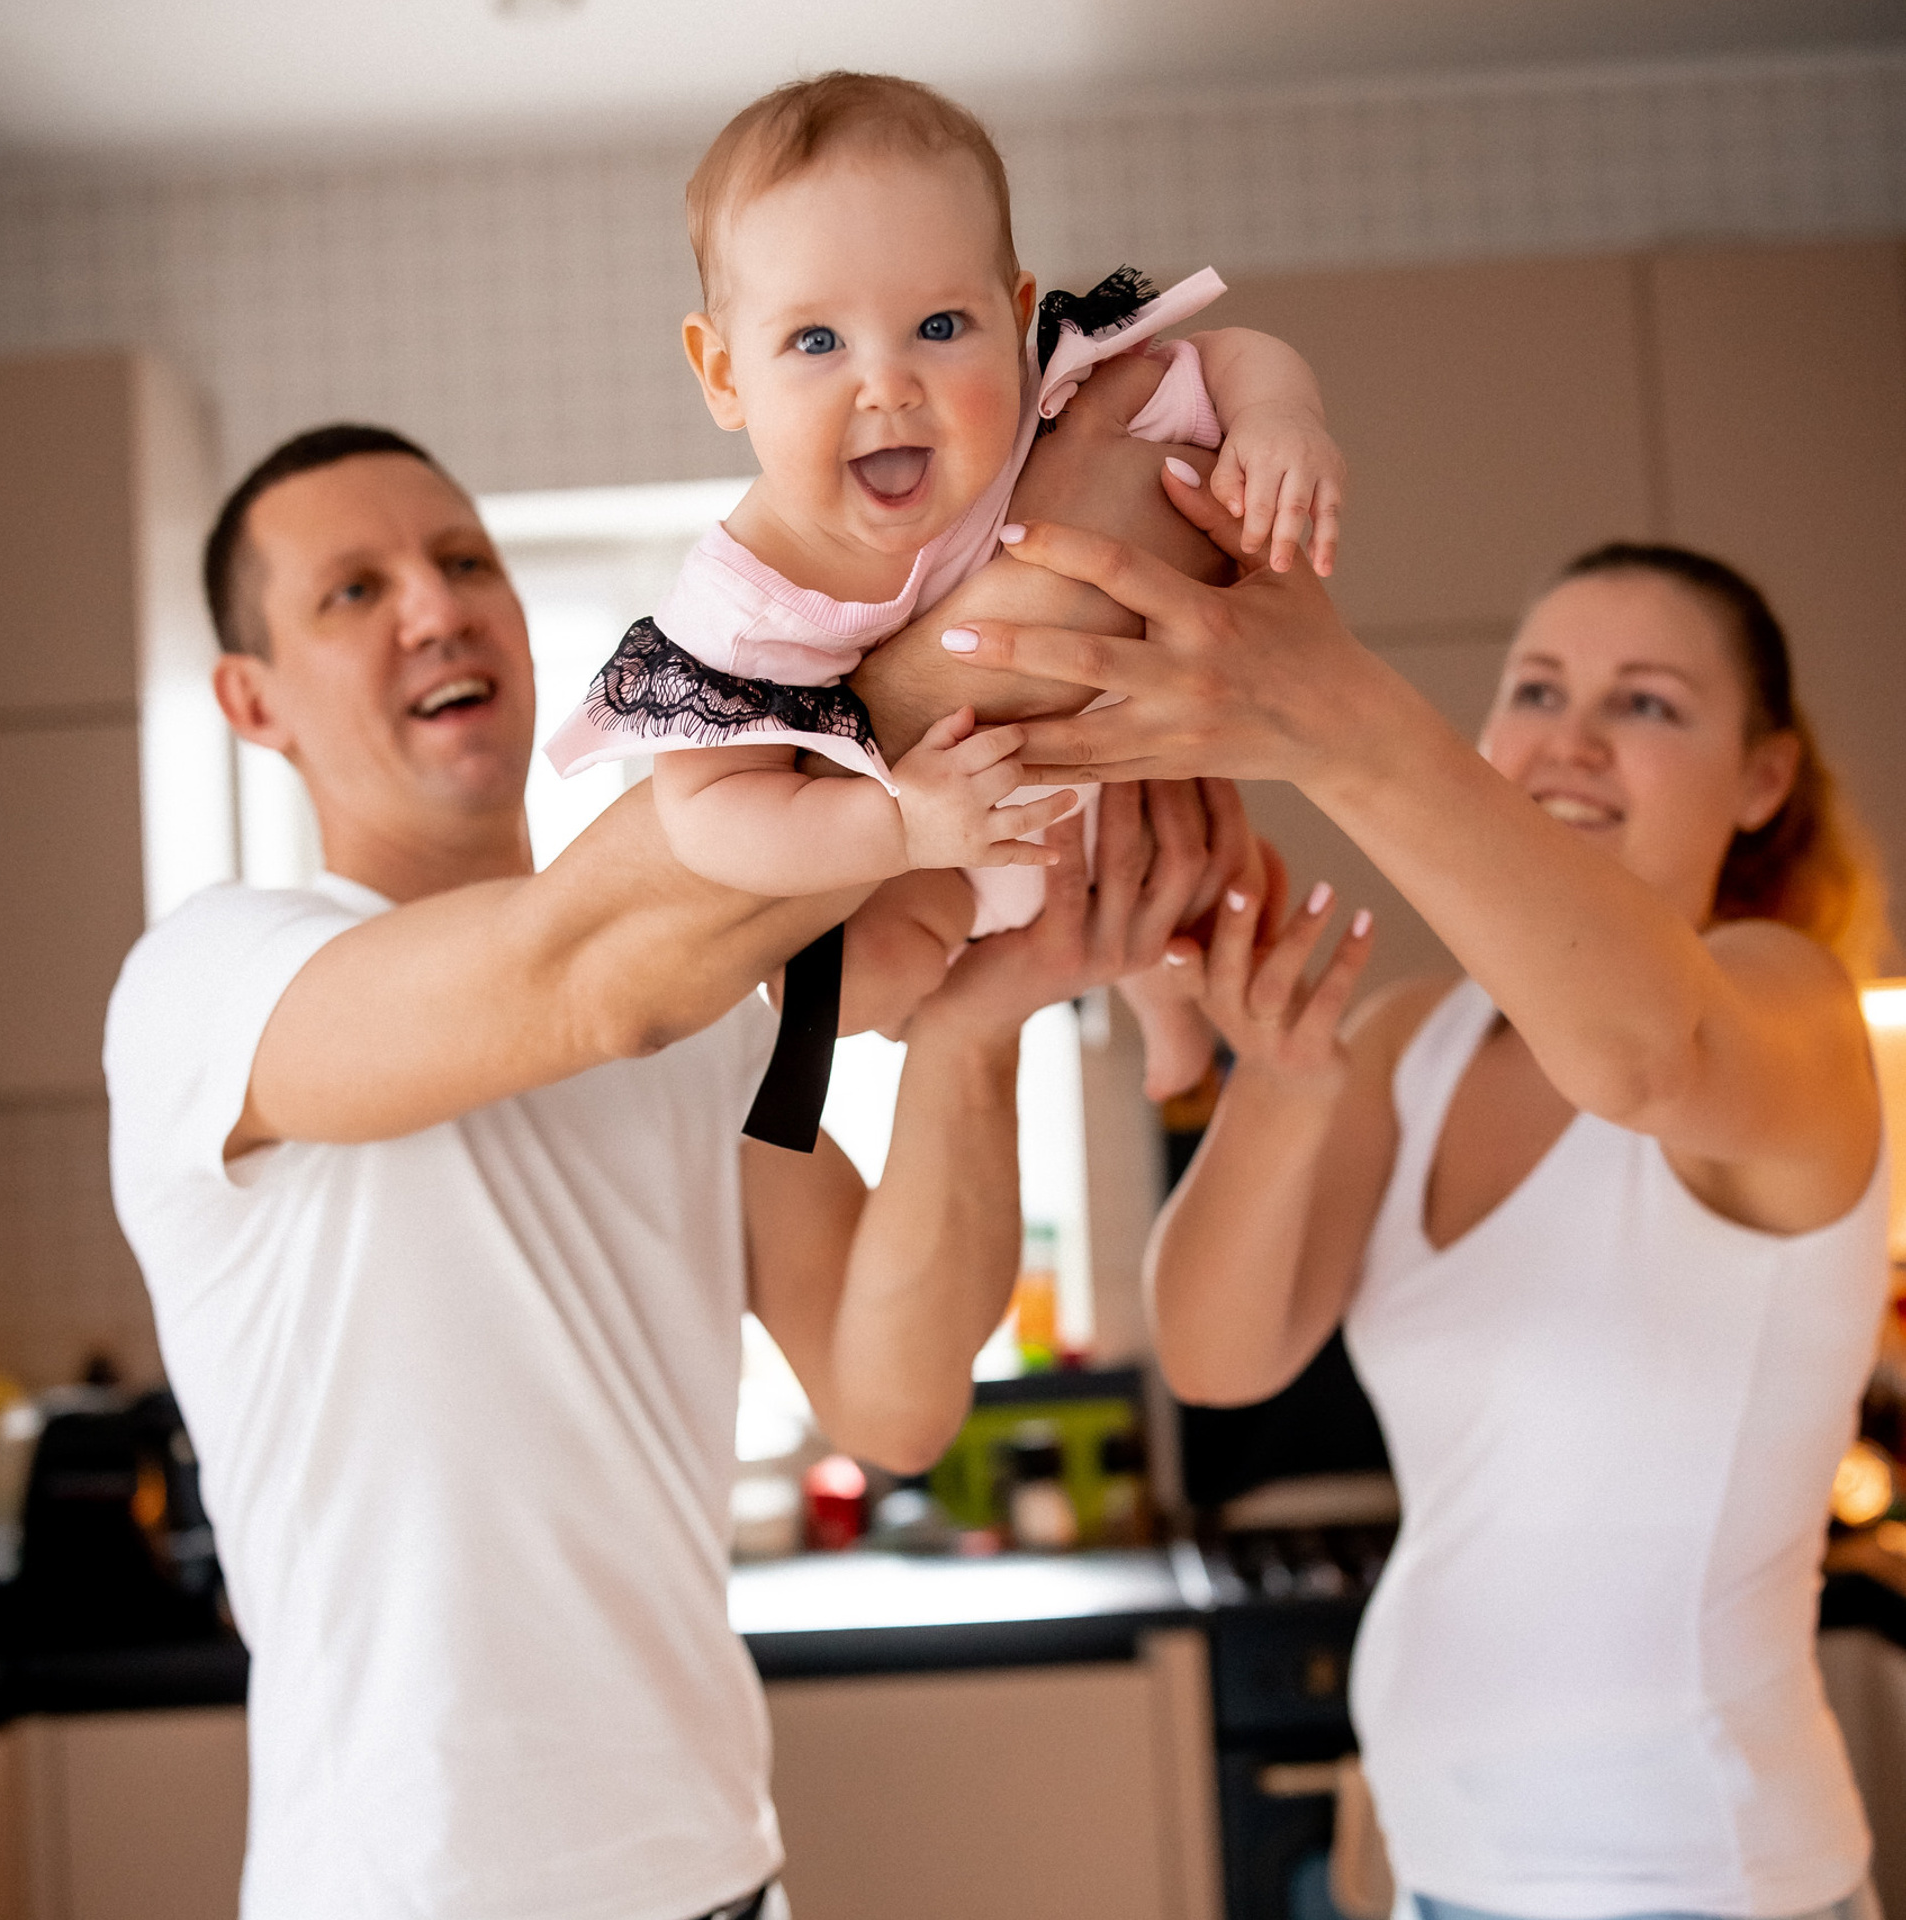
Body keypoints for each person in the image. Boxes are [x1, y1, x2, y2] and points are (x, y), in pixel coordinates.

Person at [103, 423, 1241, 1920]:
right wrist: (892, 707)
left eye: (462, 564)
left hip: (719, 1882)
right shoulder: (211, 984)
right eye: (353, 593)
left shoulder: (692, 1018)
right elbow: (578, 979)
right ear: (252, 701)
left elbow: (891, 1392)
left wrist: (978, 1028)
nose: (434, 609)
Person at [946, 515, 1892, 1919]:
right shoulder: (1416, 1047)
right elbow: (1221, 1355)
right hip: (1438, 1867)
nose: (1572, 736)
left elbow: (1640, 1053)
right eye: (1538, 688)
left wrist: (1336, 723)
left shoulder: (1786, 1006)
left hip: (1696, 1879)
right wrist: (1280, 1074)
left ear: (1763, 780)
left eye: (1646, 702)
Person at [544, 71, 1347, 1100]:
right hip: (939, 858)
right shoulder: (749, 600)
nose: (888, 384)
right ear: (724, 374)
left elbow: (1227, 357)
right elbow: (705, 810)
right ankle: (1002, 1006)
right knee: (837, 996)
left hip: (1124, 780)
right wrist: (898, 830)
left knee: (1224, 889)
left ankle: (1169, 1020)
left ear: (1015, 320)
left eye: (939, 327)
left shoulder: (1050, 409)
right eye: (816, 341)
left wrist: (1285, 422)